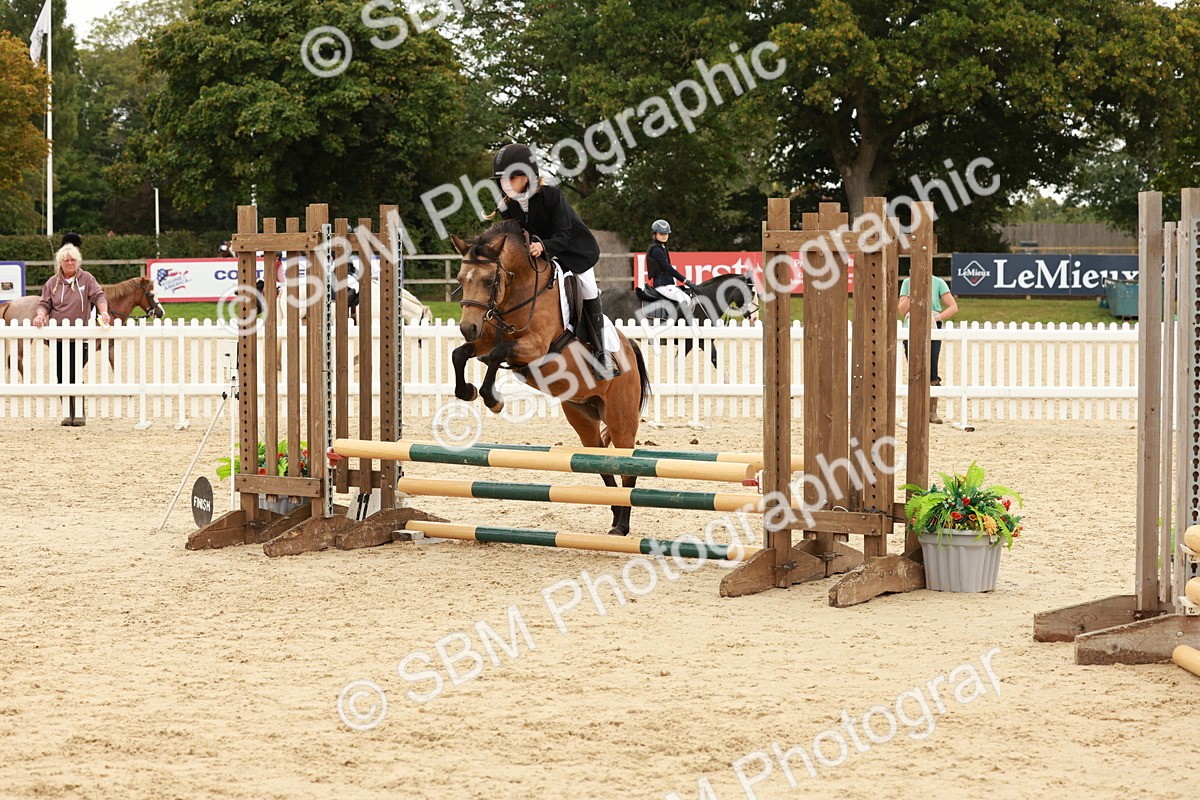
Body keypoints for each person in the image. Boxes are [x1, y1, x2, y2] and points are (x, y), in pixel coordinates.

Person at [490, 142, 613, 375]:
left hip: (575, 252)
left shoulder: (551, 194)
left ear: (527, 176)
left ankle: (601, 353)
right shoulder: (508, 206)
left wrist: (543, 246)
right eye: (501, 180)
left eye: (509, 179)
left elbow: (564, 235)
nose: (504, 185)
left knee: (588, 289)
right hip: (541, 256)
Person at [33, 243, 112, 426]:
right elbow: (44, 303)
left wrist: (104, 312)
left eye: (73, 260)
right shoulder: (52, 283)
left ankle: (79, 413)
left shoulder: (87, 279)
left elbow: (99, 296)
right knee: (61, 374)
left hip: (80, 336)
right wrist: (40, 314)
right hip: (58, 337)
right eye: (66, 260)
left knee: (75, 373)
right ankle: (68, 413)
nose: (69, 263)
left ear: (78, 262)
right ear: (60, 263)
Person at [898, 273, 958, 424]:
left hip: (932, 322)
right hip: (911, 322)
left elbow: (953, 306)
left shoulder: (938, 282)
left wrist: (937, 317)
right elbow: (902, 310)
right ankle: (916, 410)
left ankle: (932, 411)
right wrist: (911, 293)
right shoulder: (907, 282)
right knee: (914, 366)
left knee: (932, 364)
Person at [645, 219, 697, 314]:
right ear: (654, 234)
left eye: (666, 234)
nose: (664, 236)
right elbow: (668, 268)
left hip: (668, 284)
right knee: (685, 299)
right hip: (662, 285)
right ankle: (675, 325)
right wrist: (685, 281)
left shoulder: (662, 248)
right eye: (661, 234)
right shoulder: (656, 249)